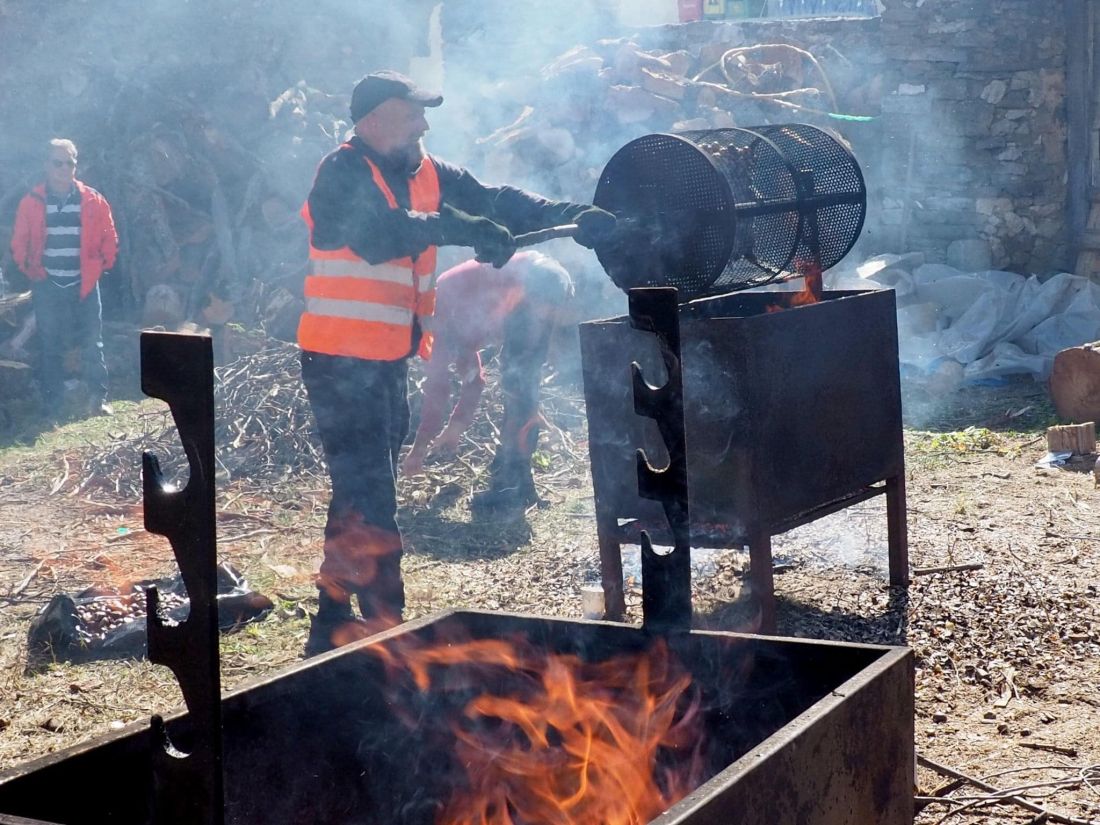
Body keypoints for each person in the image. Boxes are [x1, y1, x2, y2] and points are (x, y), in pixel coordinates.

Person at [298, 70, 615, 655]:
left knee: (359, 490)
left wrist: (577, 214)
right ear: (372, 121)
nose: (424, 123)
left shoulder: (429, 171)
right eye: (411, 112)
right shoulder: (339, 173)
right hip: (338, 361)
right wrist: (462, 227)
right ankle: (385, 628)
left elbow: (498, 202)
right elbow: (377, 234)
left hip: (385, 359)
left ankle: (331, 616)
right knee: (371, 492)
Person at [402, 251, 573, 512]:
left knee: (519, 389)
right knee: (523, 390)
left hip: (531, 284)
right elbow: (473, 381)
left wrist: (419, 448)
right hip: (546, 276)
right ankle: (515, 479)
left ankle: (508, 487)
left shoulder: (438, 318)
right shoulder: (454, 323)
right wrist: (455, 427)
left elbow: (438, 388)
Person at [10, 139, 118, 418]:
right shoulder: (32, 201)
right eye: (57, 163)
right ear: (47, 165)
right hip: (48, 283)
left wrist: (102, 264)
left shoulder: (93, 199)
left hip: (84, 282)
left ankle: (98, 400)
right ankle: (53, 404)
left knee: (93, 342)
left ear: (75, 166)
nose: (63, 169)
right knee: (50, 343)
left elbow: (109, 236)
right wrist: (30, 269)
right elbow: (20, 242)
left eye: (68, 163)